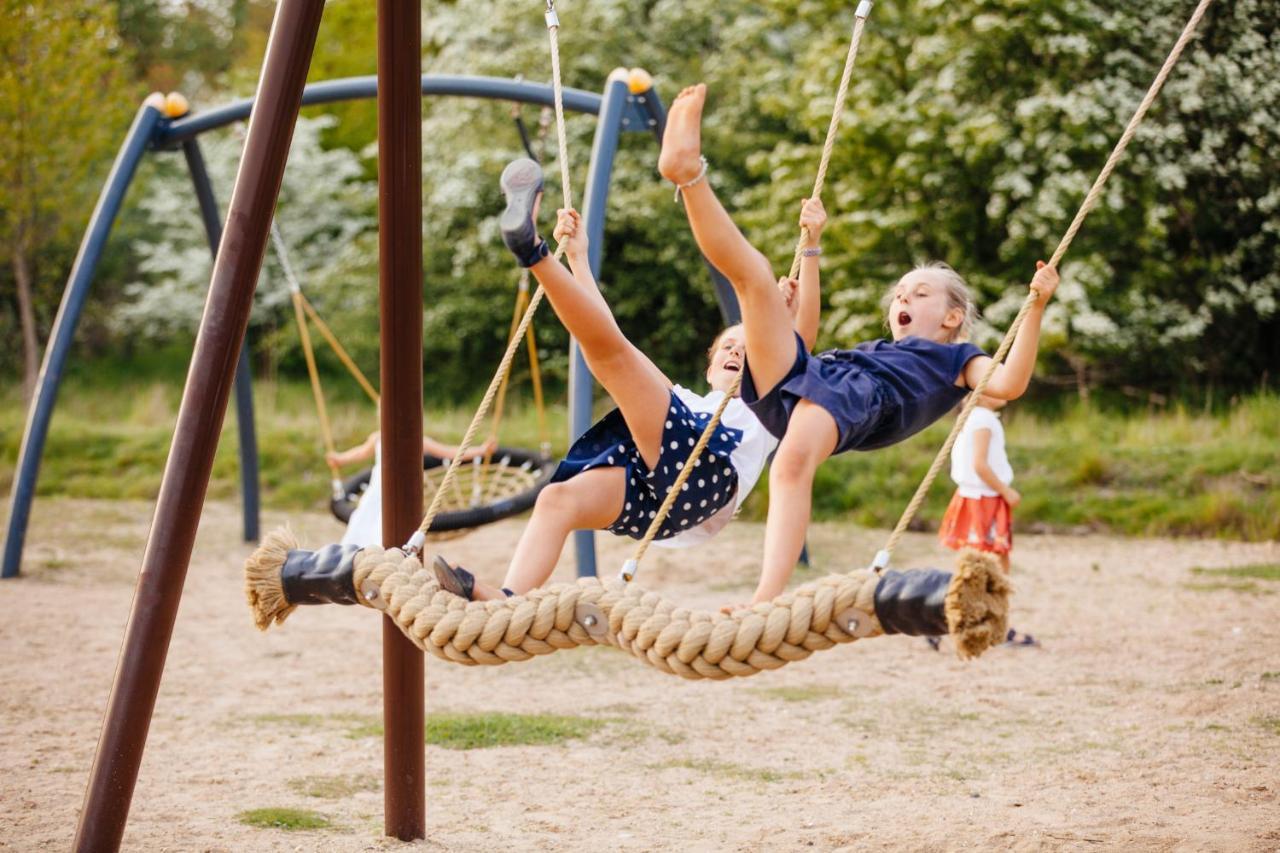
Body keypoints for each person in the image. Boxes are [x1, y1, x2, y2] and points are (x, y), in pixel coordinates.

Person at [656, 82, 1060, 610]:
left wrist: (1036, 309)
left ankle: (765, 596)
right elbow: (809, 338)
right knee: (754, 279)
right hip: (815, 378)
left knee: (790, 468)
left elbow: (1010, 383)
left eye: (920, 293)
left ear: (953, 317)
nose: (903, 299)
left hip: (861, 399)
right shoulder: (875, 348)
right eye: (899, 294)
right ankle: (689, 175)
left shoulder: (956, 357)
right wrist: (812, 248)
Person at [431, 157, 826, 602]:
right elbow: (611, 338)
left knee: (616, 360)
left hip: (708, 479)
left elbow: (803, 339)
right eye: (728, 347)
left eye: (749, 346)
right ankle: (505, 598)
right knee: (557, 499)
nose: (737, 350)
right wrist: (579, 258)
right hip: (660, 500)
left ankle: (532, 252)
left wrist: (810, 247)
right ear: (711, 366)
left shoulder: (766, 401)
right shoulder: (684, 404)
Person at [937, 393, 1037, 646]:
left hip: (974, 495)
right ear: (980, 394)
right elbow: (980, 464)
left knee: (982, 565)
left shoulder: (971, 417)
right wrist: (1006, 491)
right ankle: (991, 626)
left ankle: (957, 621)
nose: (1004, 392)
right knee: (992, 567)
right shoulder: (982, 419)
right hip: (985, 498)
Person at [328, 428, 495, 548]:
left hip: (401, 489)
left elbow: (450, 453)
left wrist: (481, 451)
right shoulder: (378, 437)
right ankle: (353, 550)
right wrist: (340, 459)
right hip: (377, 488)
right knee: (363, 517)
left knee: (390, 524)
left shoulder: (418, 439)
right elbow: (359, 453)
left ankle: (382, 550)